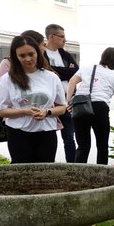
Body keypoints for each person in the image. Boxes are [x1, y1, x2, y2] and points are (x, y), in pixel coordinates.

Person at [0, 35, 68, 163]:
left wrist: (47, 112)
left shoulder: (51, 77)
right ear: (15, 57)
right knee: (22, 174)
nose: (28, 59)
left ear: (38, 53)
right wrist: (25, 111)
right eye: (22, 56)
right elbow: (1, 111)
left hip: (46, 134)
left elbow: (62, 107)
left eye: (31, 54)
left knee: (45, 173)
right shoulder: (7, 79)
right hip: (19, 134)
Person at [66, 47, 114, 164]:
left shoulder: (87, 68)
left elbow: (72, 81)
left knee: (82, 146)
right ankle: (101, 179)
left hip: (80, 105)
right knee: (102, 146)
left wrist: (69, 101)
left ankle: (77, 178)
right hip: (100, 108)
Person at [44, 24, 78, 162]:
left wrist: (56, 71)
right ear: (52, 37)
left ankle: (72, 166)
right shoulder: (41, 53)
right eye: (62, 37)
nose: (65, 40)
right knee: (48, 138)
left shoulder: (65, 54)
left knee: (69, 137)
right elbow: (45, 72)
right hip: (49, 104)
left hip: (66, 102)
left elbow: (75, 71)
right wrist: (64, 72)